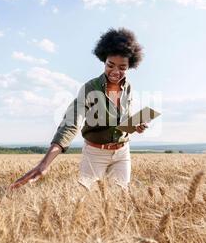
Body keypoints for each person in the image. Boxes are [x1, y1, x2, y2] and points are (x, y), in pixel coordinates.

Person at [9, 28, 148, 191]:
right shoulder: (90, 88)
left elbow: (123, 120)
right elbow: (71, 123)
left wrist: (136, 125)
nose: (116, 72)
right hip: (95, 154)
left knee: (119, 199)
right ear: (104, 61)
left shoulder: (128, 87)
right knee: (85, 201)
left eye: (122, 67)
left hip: (122, 152)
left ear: (130, 66)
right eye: (111, 65)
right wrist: (44, 163)